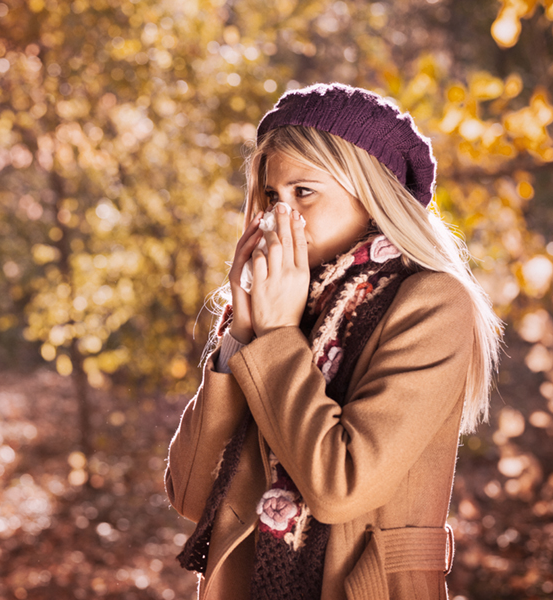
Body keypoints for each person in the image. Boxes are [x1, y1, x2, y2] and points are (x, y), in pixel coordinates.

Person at [165, 83, 502, 600]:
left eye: (304, 192)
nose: (283, 217)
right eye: (273, 197)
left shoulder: (432, 302)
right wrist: (240, 334)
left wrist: (277, 336)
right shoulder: (282, 305)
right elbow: (190, 494)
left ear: (371, 196)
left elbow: (340, 487)